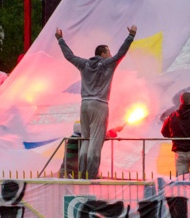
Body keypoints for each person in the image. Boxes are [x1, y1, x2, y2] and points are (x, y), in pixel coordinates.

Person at [56, 25, 136, 179]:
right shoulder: (108, 64)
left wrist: (60, 39)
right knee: (95, 141)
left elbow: (69, 56)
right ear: (103, 54)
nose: (111, 54)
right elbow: (121, 53)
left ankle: (82, 173)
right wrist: (131, 36)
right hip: (99, 104)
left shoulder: (84, 64)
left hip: (84, 104)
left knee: (85, 139)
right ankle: (91, 175)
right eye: (108, 51)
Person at [161, 91, 190, 175]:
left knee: (182, 180)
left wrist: (175, 138)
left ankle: (187, 182)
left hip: (180, 153)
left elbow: (164, 132)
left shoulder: (172, 115)